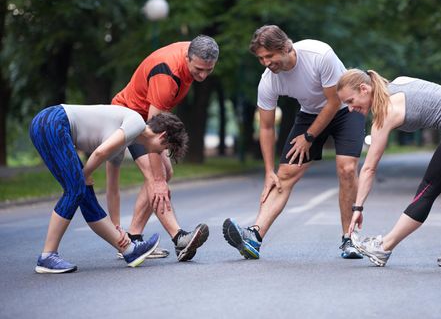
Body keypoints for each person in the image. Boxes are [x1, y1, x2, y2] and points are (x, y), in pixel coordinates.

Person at [222, 25, 366, 259]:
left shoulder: (320, 55)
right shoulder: (268, 81)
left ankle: (349, 239)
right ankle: (254, 237)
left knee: (347, 169)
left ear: (286, 47)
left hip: (345, 109)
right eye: (261, 58)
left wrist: (309, 137)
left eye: (270, 56)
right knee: (285, 174)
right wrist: (269, 170)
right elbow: (267, 127)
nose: (266, 62)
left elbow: (332, 103)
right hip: (310, 113)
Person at [336, 69, 441, 268]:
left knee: (427, 188)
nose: (350, 109)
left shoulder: (386, 112)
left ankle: (384, 247)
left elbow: (369, 168)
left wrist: (357, 208)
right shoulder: (399, 82)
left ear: (364, 89)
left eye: (351, 101)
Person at [30, 104, 189, 273]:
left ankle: (129, 250)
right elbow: (100, 153)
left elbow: (112, 189)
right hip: (52, 122)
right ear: (163, 137)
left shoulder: (124, 142)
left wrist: (117, 227)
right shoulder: (136, 123)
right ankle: (47, 256)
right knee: (76, 189)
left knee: (85, 196)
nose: (161, 153)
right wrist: (84, 175)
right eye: (165, 149)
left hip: (52, 125)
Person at [109, 35, 219, 261]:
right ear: (188, 57)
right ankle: (179, 238)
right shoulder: (167, 75)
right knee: (155, 177)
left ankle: (134, 239)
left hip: (144, 119)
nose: (203, 75)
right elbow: (153, 132)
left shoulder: (195, 50)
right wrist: (157, 181)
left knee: (165, 172)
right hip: (128, 118)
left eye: (209, 70)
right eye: (198, 69)